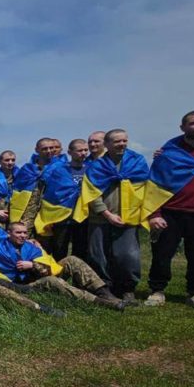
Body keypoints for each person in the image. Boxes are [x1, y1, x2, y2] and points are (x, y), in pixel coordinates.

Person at [144, 110, 194, 311]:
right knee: (162, 254)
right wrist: (155, 214)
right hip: (171, 211)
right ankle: (157, 291)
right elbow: (154, 185)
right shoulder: (169, 153)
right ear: (183, 127)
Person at [79, 128, 149, 305]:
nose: (122, 144)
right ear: (107, 144)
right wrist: (107, 214)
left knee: (127, 255)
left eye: (124, 140)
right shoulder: (96, 166)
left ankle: (127, 289)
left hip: (128, 218)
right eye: (117, 141)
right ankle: (104, 288)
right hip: (100, 218)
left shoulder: (137, 161)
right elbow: (91, 193)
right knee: (98, 255)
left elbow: (145, 188)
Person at [0, 223, 125, 309]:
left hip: (41, 272)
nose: (23, 235)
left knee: (72, 260)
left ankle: (105, 294)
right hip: (25, 284)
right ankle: (98, 302)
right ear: (8, 233)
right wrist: (34, 266)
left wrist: (33, 264)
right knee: (52, 280)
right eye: (18, 233)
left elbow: (47, 263)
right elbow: (17, 276)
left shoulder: (30, 246)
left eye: (25, 232)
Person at [32, 139, 88, 259]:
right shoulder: (59, 170)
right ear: (70, 152)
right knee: (60, 250)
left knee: (81, 250)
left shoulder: (90, 170)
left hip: (83, 216)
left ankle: (77, 275)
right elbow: (51, 193)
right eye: (79, 150)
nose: (83, 153)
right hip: (62, 217)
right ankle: (59, 276)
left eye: (85, 150)